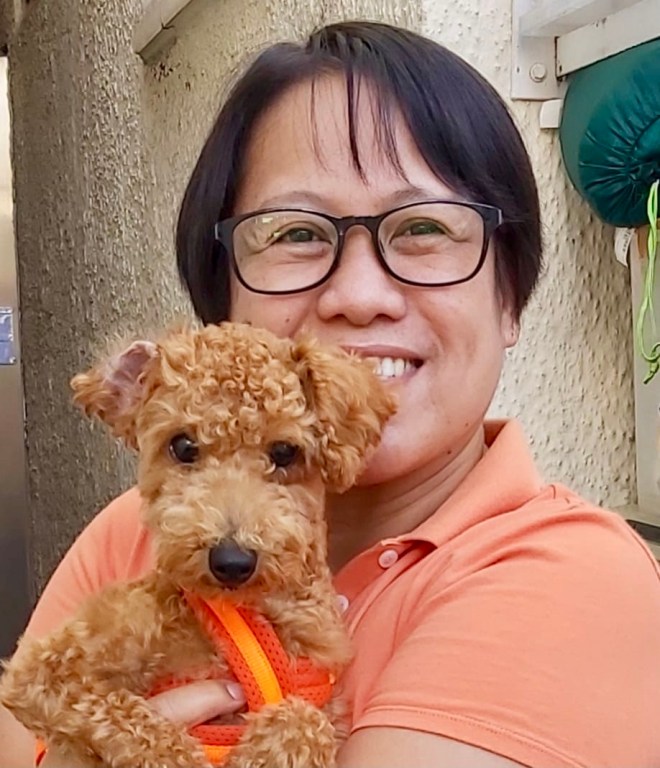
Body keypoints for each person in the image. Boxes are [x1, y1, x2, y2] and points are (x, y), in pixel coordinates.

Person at [3, 20, 660, 768]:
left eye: (422, 227)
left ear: (510, 297)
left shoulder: (567, 579)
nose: (358, 294)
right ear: (221, 297)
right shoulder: (133, 531)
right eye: (295, 234)